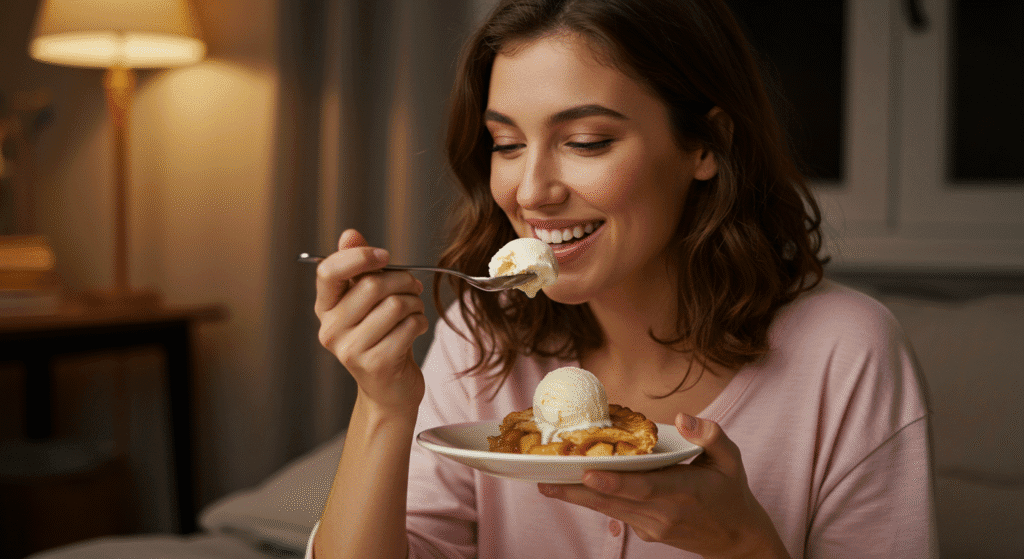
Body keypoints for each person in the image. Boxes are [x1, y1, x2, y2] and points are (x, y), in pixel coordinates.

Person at [308, 0, 937, 557]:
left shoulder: (844, 350)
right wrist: (385, 406)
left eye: (585, 141)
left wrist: (743, 546)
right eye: (505, 144)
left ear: (706, 145)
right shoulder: (482, 334)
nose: (530, 193)